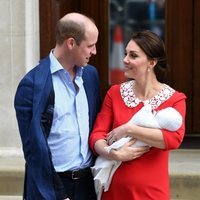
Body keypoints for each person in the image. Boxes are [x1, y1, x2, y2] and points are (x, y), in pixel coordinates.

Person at [89, 30, 186, 200]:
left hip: (152, 193)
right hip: (113, 191)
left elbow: (174, 139)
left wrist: (129, 129)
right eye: (126, 54)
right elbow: (97, 135)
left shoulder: (175, 99)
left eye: (133, 56)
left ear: (152, 62)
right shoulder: (115, 93)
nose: (125, 60)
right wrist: (113, 154)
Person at [14, 12, 101, 200]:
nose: (94, 51)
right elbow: (33, 152)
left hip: (87, 185)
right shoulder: (30, 85)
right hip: (50, 188)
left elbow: (97, 126)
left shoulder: (91, 76)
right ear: (71, 43)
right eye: (90, 45)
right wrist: (60, 195)